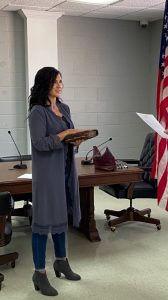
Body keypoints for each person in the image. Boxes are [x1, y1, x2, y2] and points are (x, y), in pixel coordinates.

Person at [28, 67, 86, 296]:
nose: (60, 85)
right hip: (47, 174)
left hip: (66, 170)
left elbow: (68, 137)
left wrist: (76, 140)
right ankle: (39, 273)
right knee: (43, 223)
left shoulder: (64, 108)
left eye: (61, 81)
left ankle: (61, 261)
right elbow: (39, 144)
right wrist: (63, 136)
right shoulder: (37, 112)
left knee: (62, 217)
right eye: (55, 82)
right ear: (45, 84)